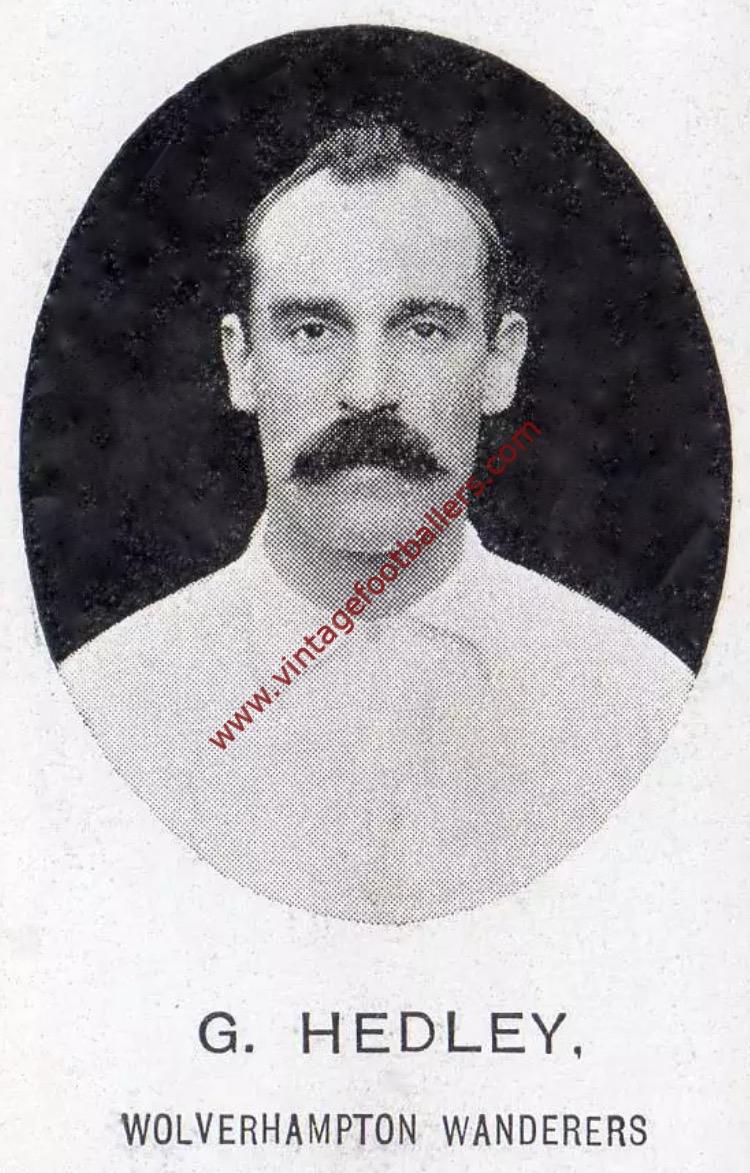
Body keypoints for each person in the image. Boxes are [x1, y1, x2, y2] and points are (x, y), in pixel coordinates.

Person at [60, 122, 693, 922]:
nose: (366, 391)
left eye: (423, 330)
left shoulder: (640, 706)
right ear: (241, 363)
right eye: (313, 330)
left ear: (499, 363)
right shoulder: (104, 711)